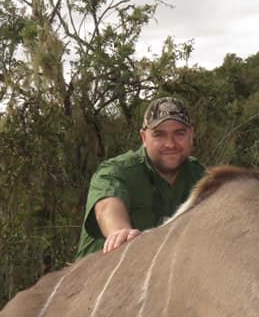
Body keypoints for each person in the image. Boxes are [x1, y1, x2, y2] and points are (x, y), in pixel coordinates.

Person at [76, 96, 207, 258]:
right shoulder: (117, 171)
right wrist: (120, 232)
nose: (170, 144)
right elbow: (106, 207)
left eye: (179, 133)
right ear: (144, 138)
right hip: (98, 278)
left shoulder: (199, 175)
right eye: (159, 135)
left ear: (191, 135)